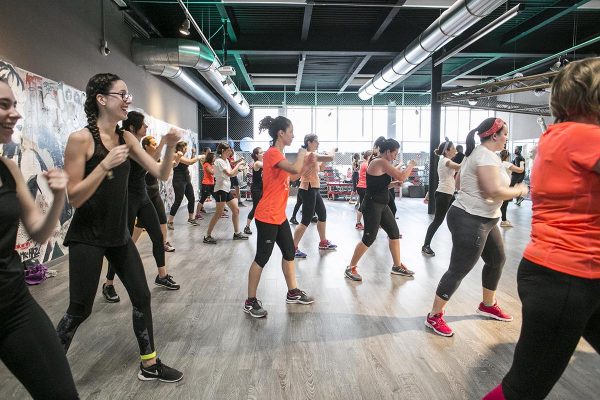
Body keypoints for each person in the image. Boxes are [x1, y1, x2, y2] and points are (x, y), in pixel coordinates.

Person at [483, 57, 600, 400]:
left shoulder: (558, 135)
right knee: (523, 389)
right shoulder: (581, 135)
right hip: (565, 279)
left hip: (570, 275)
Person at [56, 73, 183, 382]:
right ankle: (49, 367)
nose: (128, 100)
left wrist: (168, 147)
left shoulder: (127, 138)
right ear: (102, 99)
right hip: (87, 236)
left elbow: (160, 173)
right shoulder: (81, 139)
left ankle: (149, 364)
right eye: (122, 94)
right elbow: (73, 196)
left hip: (118, 234)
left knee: (142, 296)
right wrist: (104, 165)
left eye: (129, 95)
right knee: (79, 309)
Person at [0, 78, 79, 399]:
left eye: (15, 104)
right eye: (5, 105)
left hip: (13, 305)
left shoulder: (7, 168)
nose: (16, 114)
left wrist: (59, 196)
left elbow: (39, 230)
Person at [424, 117, 528, 338]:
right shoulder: (483, 156)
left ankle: (488, 304)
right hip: (470, 219)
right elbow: (493, 191)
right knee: (459, 269)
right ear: (494, 136)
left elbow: (461, 182)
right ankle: (434, 315)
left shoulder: (486, 155)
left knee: (497, 260)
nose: (506, 138)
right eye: (505, 134)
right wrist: (519, 190)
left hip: (487, 218)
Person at [101, 112, 180, 303]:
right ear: (132, 128)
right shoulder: (125, 146)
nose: (146, 128)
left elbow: (152, 160)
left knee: (158, 237)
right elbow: (151, 159)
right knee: (121, 244)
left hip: (143, 198)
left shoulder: (138, 146)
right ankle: (108, 284)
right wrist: (163, 143)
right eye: (143, 125)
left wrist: (163, 143)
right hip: (128, 201)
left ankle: (162, 275)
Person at [243, 115, 314, 318]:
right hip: (267, 216)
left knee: (289, 252)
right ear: (281, 133)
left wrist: (307, 165)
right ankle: (250, 301)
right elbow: (293, 168)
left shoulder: (279, 155)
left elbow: (291, 177)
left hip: (279, 215)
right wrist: (302, 154)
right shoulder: (273, 153)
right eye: (290, 131)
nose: (293, 135)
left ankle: (292, 292)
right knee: (261, 258)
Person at [344, 139, 416, 282]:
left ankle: (396, 266)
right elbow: (402, 175)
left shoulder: (382, 163)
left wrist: (394, 184)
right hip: (372, 205)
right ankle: (350, 267)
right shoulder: (380, 162)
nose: (396, 156)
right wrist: (411, 165)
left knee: (394, 234)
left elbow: (381, 185)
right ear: (388, 151)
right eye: (395, 153)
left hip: (382, 205)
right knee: (369, 238)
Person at [293, 134, 337, 259]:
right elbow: (331, 157)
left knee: (322, 214)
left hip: (314, 188)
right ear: (309, 142)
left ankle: (323, 242)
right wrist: (333, 148)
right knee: (306, 220)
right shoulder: (310, 154)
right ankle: (293, 247)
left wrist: (322, 160)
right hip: (308, 189)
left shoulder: (313, 156)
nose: (318, 143)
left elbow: (321, 169)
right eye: (316, 141)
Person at [132, 135, 178, 253]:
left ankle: (163, 243)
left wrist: (175, 160)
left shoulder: (156, 158)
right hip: (145, 193)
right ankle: (130, 247)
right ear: (146, 146)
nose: (156, 146)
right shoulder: (142, 157)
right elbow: (152, 166)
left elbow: (167, 166)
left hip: (155, 192)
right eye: (153, 144)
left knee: (162, 218)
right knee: (141, 223)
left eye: (156, 143)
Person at [421, 138, 461, 256]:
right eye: (453, 149)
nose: (455, 151)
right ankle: (426, 245)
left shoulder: (445, 160)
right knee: (438, 221)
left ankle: (460, 244)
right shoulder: (445, 161)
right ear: (447, 151)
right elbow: (458, 167)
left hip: (449, 194)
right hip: (443, 194)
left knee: (457, 217)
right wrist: (469, 159)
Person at [203, 142, 247, 244]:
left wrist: (239, 169)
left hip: (226, 189)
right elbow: (230, 173)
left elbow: (232, 174)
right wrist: (239, 164)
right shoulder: (219, 161)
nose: (230, 152)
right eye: (228, 151)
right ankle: (207, 235)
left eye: (230, 150)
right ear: (222, 151)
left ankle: (237, 233)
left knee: (236, 210)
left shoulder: (226, 160)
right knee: (218, 213)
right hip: (220, 189)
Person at [167, 141, 200, 229]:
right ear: (180, 148)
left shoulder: (182, 156)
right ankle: (170, 221)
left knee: (192, 198)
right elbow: (189, 162)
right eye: (185, 147)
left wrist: (193, 153)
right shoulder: (175, 155)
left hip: (186, 180)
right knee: (178, 200)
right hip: (179, 180)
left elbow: (190, 162)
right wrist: (199, 156)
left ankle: (191, 218)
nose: (186, 149)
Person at [498, 149, 524, 228]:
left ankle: (503, 220)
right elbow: (520, 170)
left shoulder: (498, 163)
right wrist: (522, 163)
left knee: (502, 203)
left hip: (499, 185)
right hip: (505, 186)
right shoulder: (506, 163)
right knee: (504, 204)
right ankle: (504, 221)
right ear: (508, 156)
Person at [244, 147, 264, 235]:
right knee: (256, 208)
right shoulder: (257, 163)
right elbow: (267, 165)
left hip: (261, 188)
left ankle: (263, 225)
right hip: (256, 189)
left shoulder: (261, 162)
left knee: (262, 207)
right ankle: (247, 227)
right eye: (261, 152)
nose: (263, 153)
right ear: (256, 155)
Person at [354, 150, 371, 230]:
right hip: (363, 187)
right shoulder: (367, 164)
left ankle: (361, 223)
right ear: (368, 156)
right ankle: (358, 223)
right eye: (372, 156)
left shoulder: (364, 163)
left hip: (363, 187)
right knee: (363, 206)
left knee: (365, 205)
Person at [196, 151, 215, 217]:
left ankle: (221, 213)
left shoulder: (211, 164)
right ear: (211, 158)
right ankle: (197, 214)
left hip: (211, 184)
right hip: (206, 184)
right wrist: (217, 168)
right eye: (214, 157)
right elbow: (211, 172)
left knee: (217, 198)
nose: (215, 158)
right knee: (203, 199)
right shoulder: (206, 164)